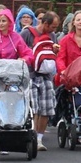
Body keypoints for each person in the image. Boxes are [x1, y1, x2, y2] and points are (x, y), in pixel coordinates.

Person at [20, 11, 60, 151]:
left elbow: (51, 56)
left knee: (46, 108)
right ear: (45, 23)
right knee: (33, 108)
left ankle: (39, 139)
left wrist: (55, 51)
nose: (54, 30)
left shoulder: (53, 36)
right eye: (53, 27)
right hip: (30, 74)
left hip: (46, 75)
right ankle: (29, 137)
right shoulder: (27, 34)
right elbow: (19, 50)